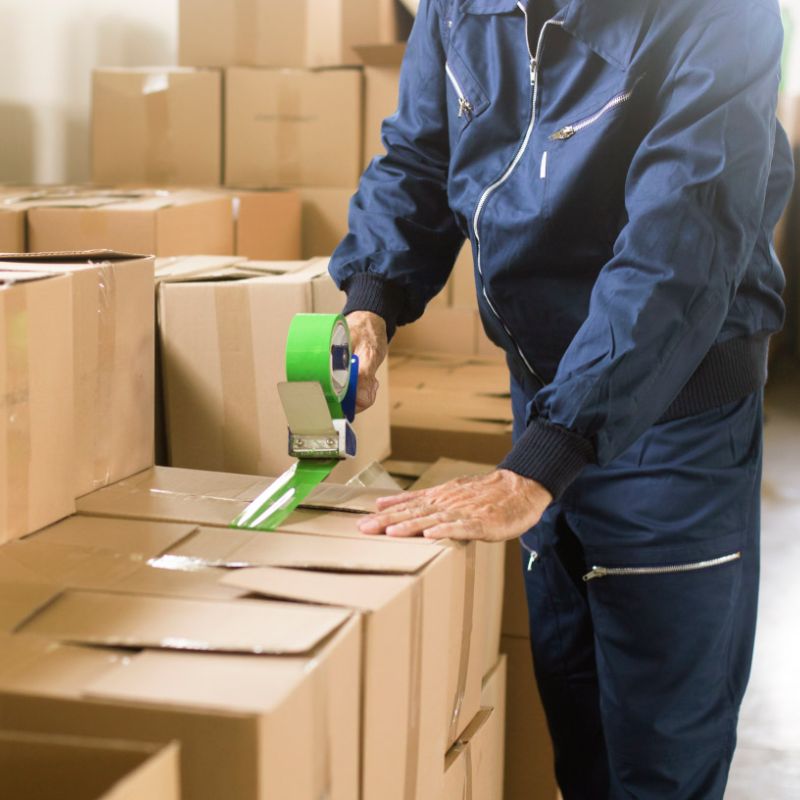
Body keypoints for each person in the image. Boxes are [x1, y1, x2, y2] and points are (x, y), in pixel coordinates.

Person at [328, 0, 793, 797]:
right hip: (547, 401)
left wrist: (545, 461)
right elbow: (419, 156)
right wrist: (371, 299)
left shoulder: (721, 14)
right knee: (579, 733)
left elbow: (679, 245)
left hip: (674, 417)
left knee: (661, 756)